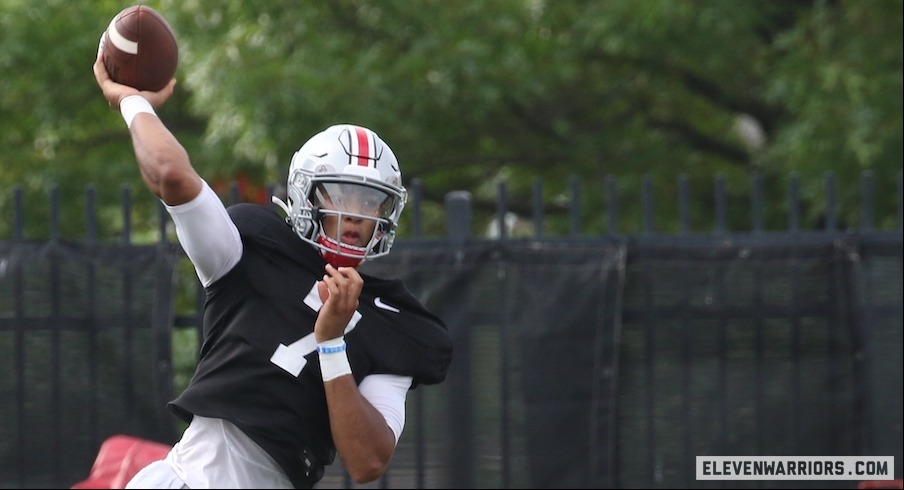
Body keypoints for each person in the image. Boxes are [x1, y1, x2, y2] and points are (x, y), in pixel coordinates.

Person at [92, 45, 453, 489]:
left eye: (371, 201)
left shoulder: (396, 320)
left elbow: (367, 461)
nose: (358, 215)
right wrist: (132, 100)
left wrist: (333, 343)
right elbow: (170, 175)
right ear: (306, 195)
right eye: (342, 196)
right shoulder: (253, 245)